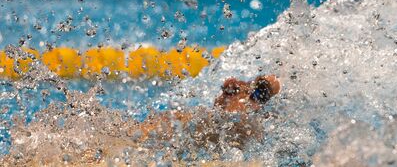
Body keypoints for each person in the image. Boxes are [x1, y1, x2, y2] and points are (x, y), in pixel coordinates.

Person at [2, 75, 281, 166]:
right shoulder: (196, 121)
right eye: (228, 92)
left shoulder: (248, 128)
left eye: (231, 92)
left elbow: (272, 82)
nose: (224, 93)